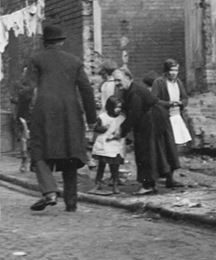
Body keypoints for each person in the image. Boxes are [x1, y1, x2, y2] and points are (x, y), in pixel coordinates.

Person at [24, 25, 97, 212]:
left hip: (44, 111)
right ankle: (71, 203)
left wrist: (23, 114)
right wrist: (91, 119)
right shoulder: (74, 61)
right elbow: (87, 90)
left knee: (38, 151)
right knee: (70, 155)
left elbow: (28, 89)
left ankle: (49, 192)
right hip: (70, 113)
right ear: (62, 41)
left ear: (45, 42)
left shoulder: (37, 59)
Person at [112, 66, 182, 194]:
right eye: (115, 81)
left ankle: (148, 185)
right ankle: (152, 183)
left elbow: (134, 114)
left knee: (147, 152)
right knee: (152, 151)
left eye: (119, 80)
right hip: (150, 119)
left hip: (151, 121)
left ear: (128, 78)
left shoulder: (135, 92)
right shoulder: (129, 90)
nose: (117, 84)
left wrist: (121, 131)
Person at [151, 59, 192, 148]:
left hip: (176, 116)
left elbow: (185, 98)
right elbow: (153, 100)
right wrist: (168, 103)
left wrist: (181, 103)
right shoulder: (159, 82)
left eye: (176, 70)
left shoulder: (178, 82)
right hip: (165, 117)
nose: (173, 73)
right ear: (166, 71)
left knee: (178, 142)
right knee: (166, 143)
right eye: (171, 70)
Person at [91, 95, 125, 194]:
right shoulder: (103, 117)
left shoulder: (122, 118)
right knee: (101, 165)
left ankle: (115, 184)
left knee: (115, 166)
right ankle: (98, 183)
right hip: (104, 144)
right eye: (116, 107)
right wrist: (103, 128)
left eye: (120, 107)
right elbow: (96, 128)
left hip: (116, 145)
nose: (118, 109)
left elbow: (125, 130)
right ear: (110, 107)